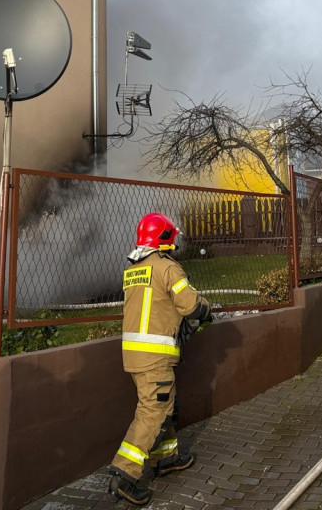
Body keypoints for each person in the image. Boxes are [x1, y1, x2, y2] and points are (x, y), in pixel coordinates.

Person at [108, 213, 212, 506]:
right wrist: (206, 309)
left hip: (134, 354)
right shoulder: (168, 268)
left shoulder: (134, 270)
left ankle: (167, 459)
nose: (176, 241)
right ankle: (124, 475)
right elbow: (190, 305)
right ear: (164, 239)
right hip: (155, 356)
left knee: (162, 404)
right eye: (172, 236)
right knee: (154, 410)